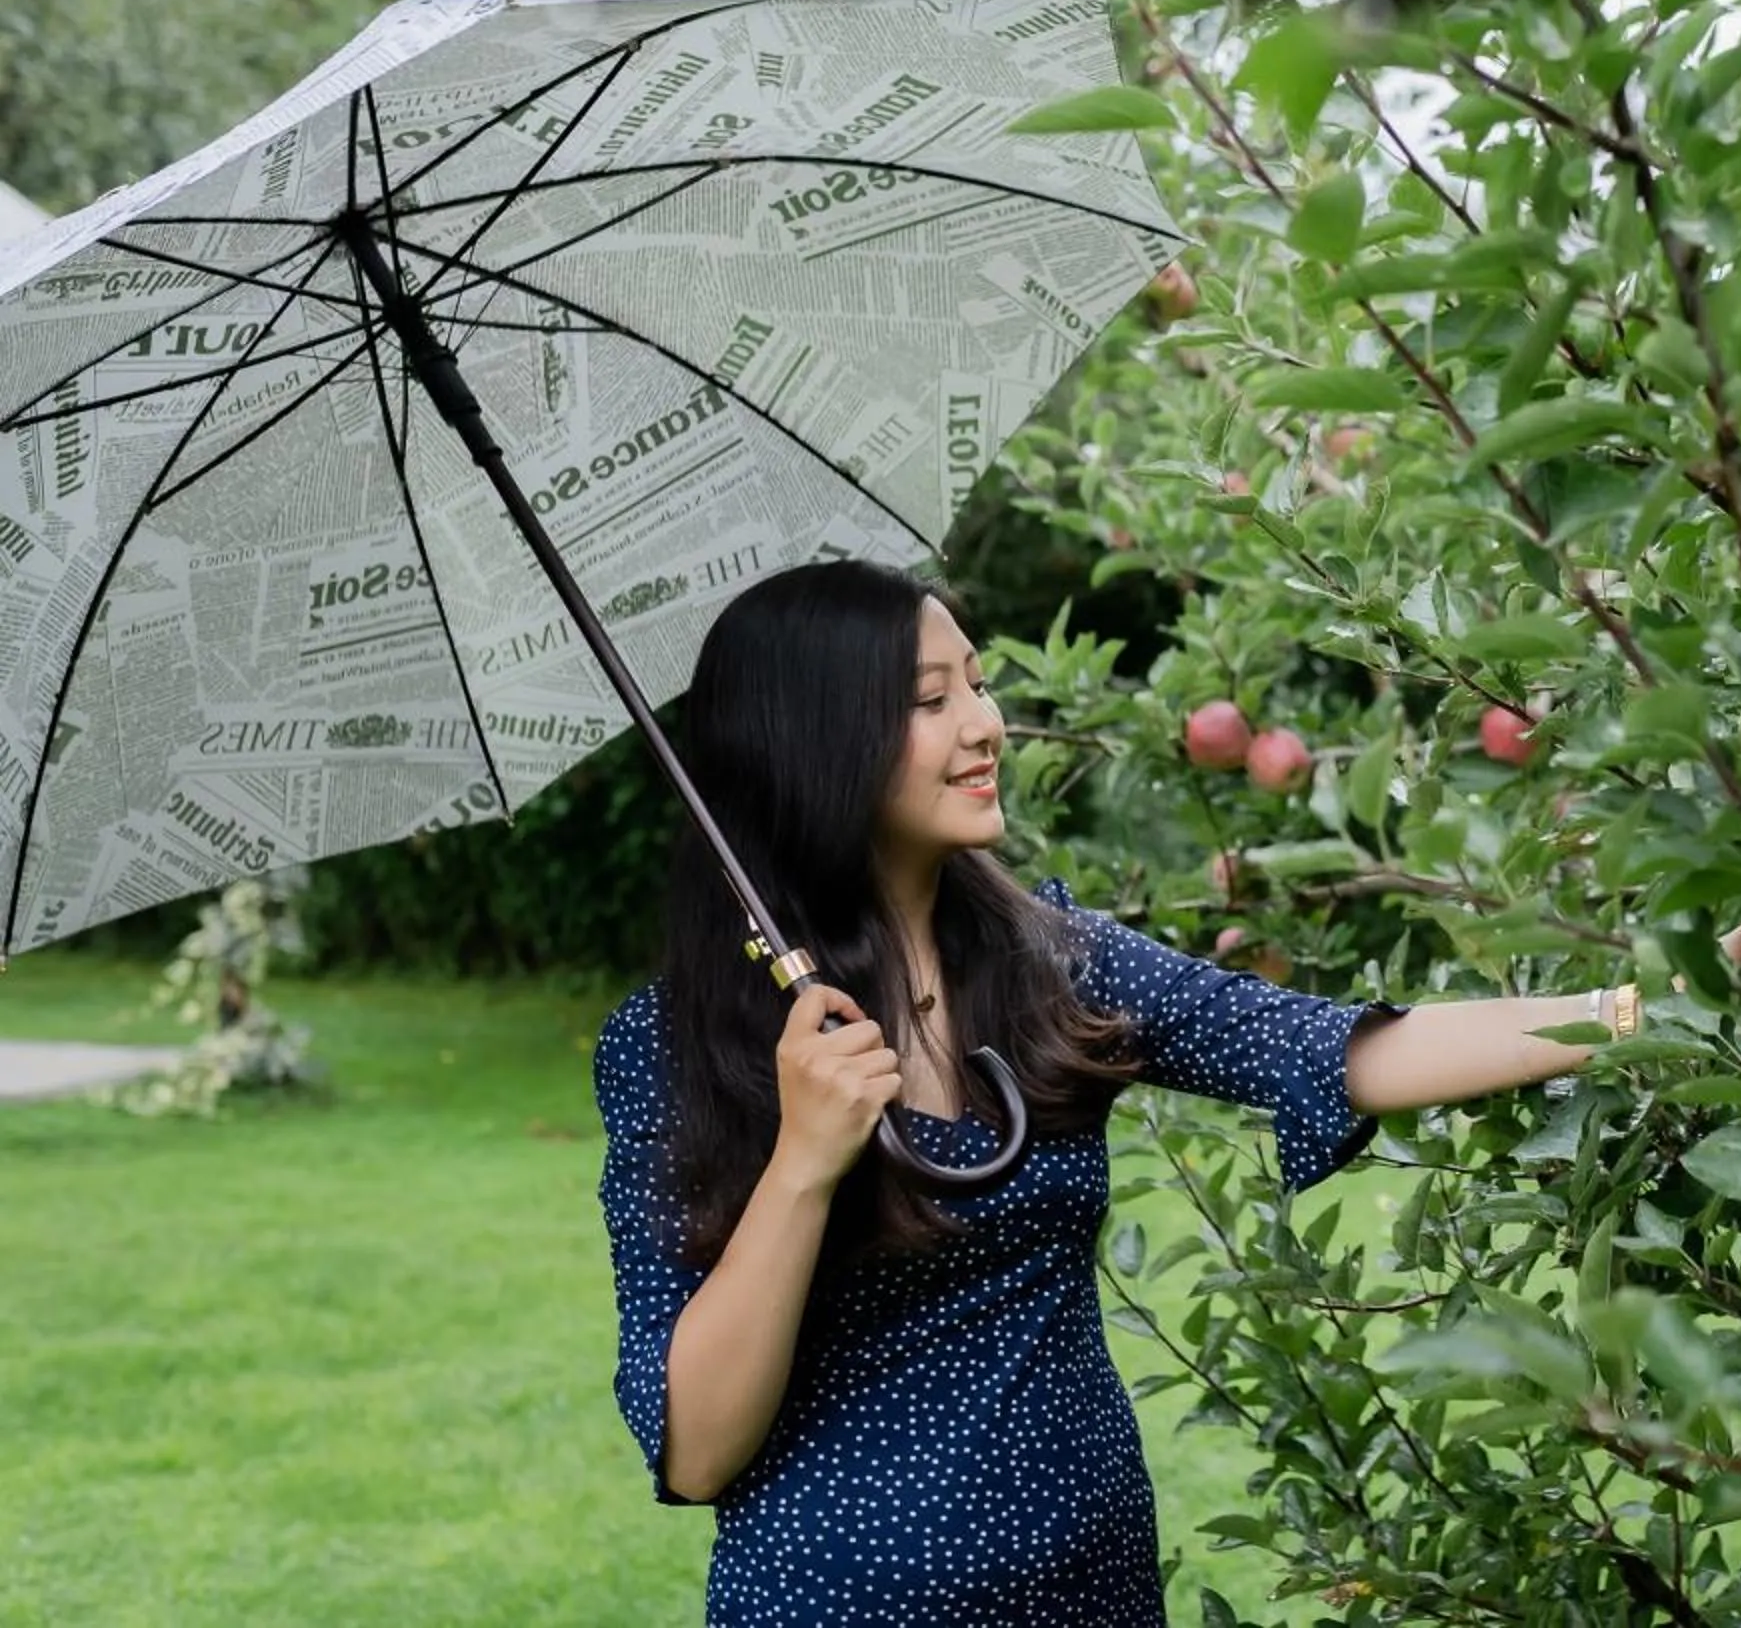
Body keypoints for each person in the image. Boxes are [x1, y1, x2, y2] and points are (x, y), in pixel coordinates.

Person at [591, 558, 1638, 1626]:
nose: (987, 725)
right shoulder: (674, 1050)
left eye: (979, 685)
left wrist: (1636, 1013)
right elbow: (698, 1449)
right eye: (931, 701)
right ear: (816, 739)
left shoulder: (1048, 962)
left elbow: (1329, 1046)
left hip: (1093, 1585)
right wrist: (804, 1167)